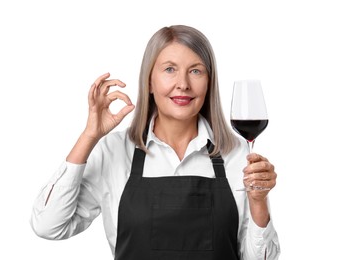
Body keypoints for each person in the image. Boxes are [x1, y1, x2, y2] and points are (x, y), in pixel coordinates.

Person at [30, 25, 280, 260]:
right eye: (170, 69)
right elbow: (48, 226)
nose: (183, 83)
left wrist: (258, 202)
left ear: (209, 82)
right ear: (149, 81)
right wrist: (89, 136)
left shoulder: (236, 155)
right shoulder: (115, 151)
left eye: (196, 70)